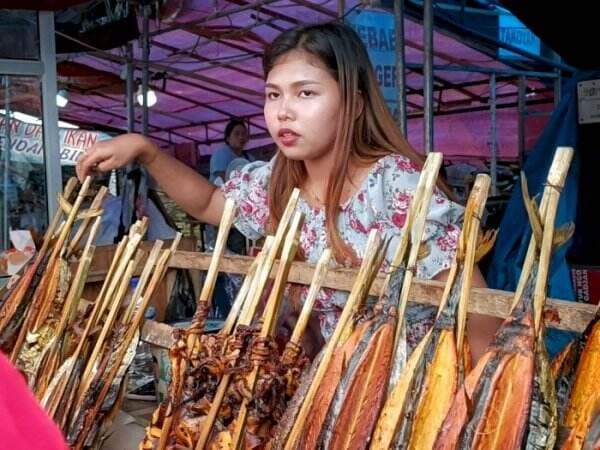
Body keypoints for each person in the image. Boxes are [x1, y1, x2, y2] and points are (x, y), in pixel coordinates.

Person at [76, 22, 501, 363]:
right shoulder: (277, 180)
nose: (283, 111)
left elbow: (478, 313)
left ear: (351, 101)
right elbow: (208, 204)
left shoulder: (397, 187)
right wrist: (147, 152)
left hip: (395, 403)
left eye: (306, 93)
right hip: (314, 401)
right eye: (272, 95)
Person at [209, 118, 250, 184]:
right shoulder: (221, 154)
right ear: (228, 138)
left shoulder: (249, 157)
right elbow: (223, 178)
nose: (241, 137)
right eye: (237, 134)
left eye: (243, 134)